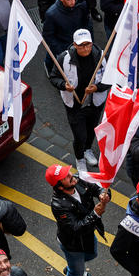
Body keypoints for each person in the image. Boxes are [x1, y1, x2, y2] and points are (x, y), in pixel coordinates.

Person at [46, 163, 107, 276]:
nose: (71, 176)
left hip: (87, 235)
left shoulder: (77, 180)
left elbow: (96, 188)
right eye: (65, 177)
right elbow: (75, 228)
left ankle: (73, 268)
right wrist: (95, 214)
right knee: (76, 271)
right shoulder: (58, 205)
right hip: (72, 243)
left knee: (92, 255)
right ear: (60, 187)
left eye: (68, 172)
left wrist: (103, 194)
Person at [49, 29, 110, 173]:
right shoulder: (64, 58)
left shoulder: (101, 56)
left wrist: (97, 88)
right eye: (81, 45)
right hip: (74, 104)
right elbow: (53, 77)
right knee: (79, 135)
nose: (86, 48)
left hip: (95, 102)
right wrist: (63, 85)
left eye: (88, 44)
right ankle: (79, 158)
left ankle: (88, 149)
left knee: (91, 130)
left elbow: (110, 79)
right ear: (75, 45)